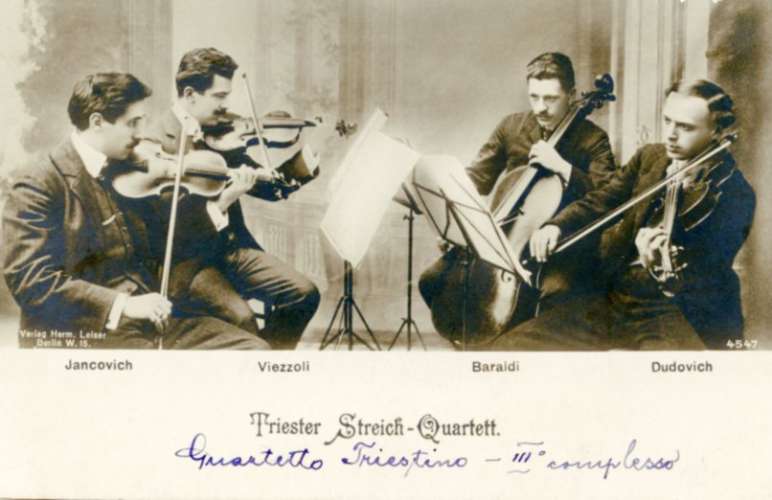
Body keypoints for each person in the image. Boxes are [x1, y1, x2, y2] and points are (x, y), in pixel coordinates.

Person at [2, 72, 269, 349]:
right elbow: (31, 281)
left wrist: (221, 203)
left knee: (254, 350)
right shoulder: (39, 184)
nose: (141, 134)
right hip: (84, 330)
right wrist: (123, 304)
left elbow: (171, 240)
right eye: (132, 123)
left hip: (152, 316)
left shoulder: (129, 168)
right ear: (97, 122)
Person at [492, 79, 755, 350]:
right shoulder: (650, 157)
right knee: (513, 346)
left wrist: (662, 272)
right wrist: (556, 226)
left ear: (716, 131)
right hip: (614, 297)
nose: (671, 135)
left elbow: (708, 275)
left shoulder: (734, 194)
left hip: (673, 310)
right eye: (668, 121)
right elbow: (602, 199)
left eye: (686, 127)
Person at [418, 52, 616, 340]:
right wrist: (457, 223)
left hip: (559, 250)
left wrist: (563, 168)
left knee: (553, 294)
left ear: (572, 95)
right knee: (431, 280)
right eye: (534, 97)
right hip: (502, 241)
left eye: (551, 98)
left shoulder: (594, 140)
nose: (541, 108)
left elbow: (607, 195)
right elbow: (475, 178)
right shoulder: (511, 128)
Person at [142, 47, 320, 349]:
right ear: (190, 94)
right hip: (189, 264)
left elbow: (268, 187)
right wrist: (224, 200)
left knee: (304, 294)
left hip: (232, 250)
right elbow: (168, 227)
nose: (226, 106)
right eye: (220, 96)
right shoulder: (156, 143)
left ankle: (268, 361)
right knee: (243, 320)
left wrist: (304, 164)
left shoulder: (220, 135)